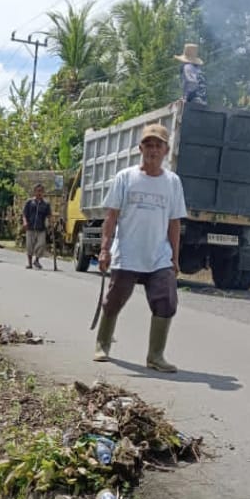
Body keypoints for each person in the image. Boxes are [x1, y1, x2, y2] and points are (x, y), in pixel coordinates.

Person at [93, 123, 187, 373]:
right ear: (140, 148)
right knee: (114, 300)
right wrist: (104, 249)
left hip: (159, 257)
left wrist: (175, 258)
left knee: (166, 302)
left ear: (166, 150)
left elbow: (174, 222)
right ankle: (102, 344)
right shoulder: (126, 177)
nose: (153, 150)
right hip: (128, 253)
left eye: (158, 145)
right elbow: (111, 217)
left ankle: (155, 356)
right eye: (148, 144)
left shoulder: (173, 182)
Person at [22, 183, 52, 269]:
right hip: (30, 227)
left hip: (41, 228)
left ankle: (37, 260)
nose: (39, 193)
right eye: (38, 191)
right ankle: (30, 263)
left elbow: (49, 215)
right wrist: (25, 222)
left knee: (41, 244)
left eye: (41, 191)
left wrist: (51, 222)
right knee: (29, 246)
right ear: (34, 192)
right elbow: (24, 214)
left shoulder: (46, 204)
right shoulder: (29, 202)